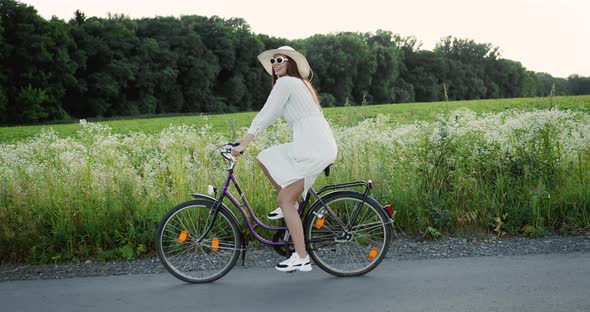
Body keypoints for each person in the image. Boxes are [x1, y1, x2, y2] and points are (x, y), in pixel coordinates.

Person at [231, 46, 338, 272]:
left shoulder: (287, 82)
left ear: (290, 63)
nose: (275, 63)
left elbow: (268, 112)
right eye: (273, 61)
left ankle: (301, 257)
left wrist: (246, 141)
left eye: (280, 59)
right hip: (310, 145)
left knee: (284, 200)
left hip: (313, 148)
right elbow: (272, 113)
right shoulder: (297, 84)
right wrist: (246, 138)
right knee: (266, 156)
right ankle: (292, 204)